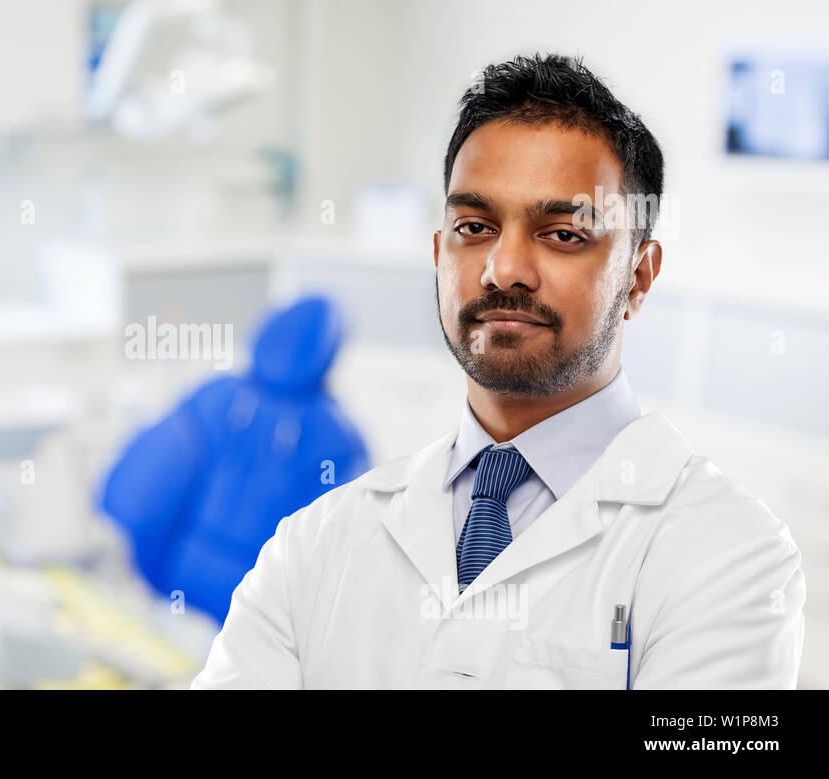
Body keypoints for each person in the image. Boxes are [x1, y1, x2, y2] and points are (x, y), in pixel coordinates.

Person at [190, 53, 806, 689]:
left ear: (639, 278)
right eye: (475, 226)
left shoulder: (733, 557)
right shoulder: (315, 544)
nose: (503, 268)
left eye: (563, 234)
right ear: (439, 255)